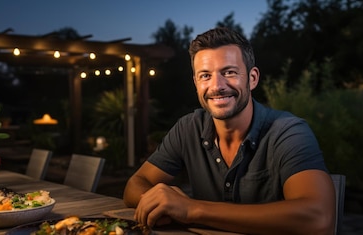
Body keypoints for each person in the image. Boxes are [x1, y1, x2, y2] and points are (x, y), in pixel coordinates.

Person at [123, 27, 336, 235]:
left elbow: (319, 219)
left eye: (229, 72)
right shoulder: (189, 127)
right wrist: (159, 201)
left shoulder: (288, 132)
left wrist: (190, 209)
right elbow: (134, 185)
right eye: (205, 76)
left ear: (252, 78)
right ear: (196, 83)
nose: (217, 86)